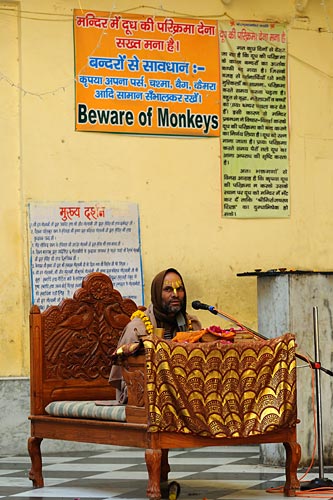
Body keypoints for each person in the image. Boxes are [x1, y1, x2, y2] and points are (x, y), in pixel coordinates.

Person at [109, 267, 202, 401]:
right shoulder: (137, 329)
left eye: (180, 289)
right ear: (157, 293)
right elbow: (126, 381)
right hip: (144, 402)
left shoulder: (192, 325)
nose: (175, 294)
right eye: (168, 289)